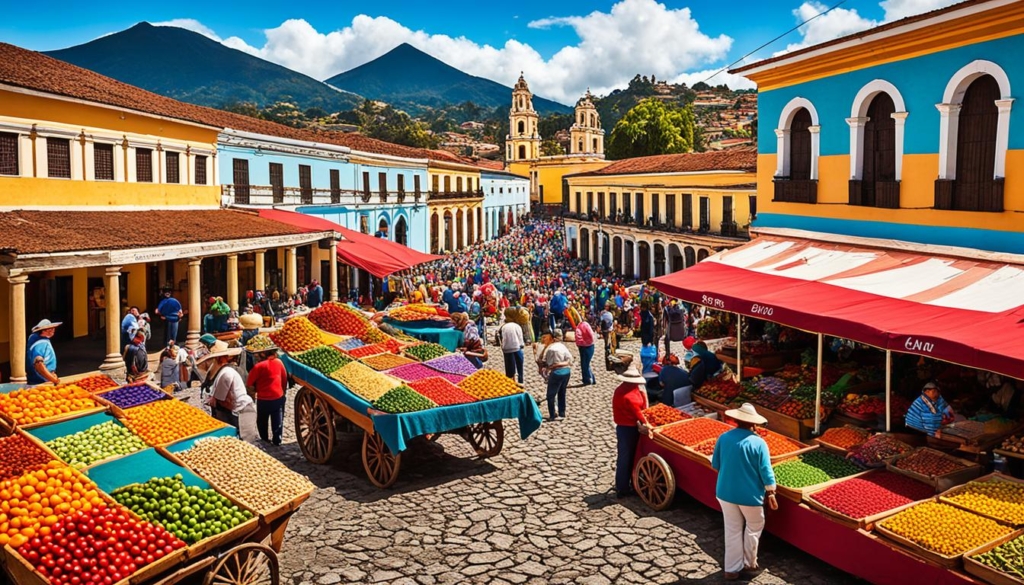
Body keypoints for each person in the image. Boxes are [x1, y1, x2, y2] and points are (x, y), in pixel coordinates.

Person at [712, 403, 777, 581]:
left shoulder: (723, 437)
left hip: (724, 492)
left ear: (737, 420)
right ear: (753, 424)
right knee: (754, 527)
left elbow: (715, 464)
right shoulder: (758, 442)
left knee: (732, 529)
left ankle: (731, 569)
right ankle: (749, 563)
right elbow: (766, 470)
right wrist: (771, 491)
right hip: (749, 495)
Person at [199, 341, 258, 442]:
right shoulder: (221, 372)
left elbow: (222, 400)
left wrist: (212, 401)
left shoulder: (227, 373)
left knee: (242, 443)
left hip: (240, 413)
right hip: (235, 411)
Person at [612, 365, 650, 497]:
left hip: (623, 427)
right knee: (626, 457)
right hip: (629, 429)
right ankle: (623, 487)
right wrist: (648, 423)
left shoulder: (620, 389)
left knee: (625, 456)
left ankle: (624, 484)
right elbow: (639, 413)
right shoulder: (630, 395)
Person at [247, 345, 288, 446]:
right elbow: (284, 378)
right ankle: (277, 440)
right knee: (277, 420)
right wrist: (283, 393)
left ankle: (264, 438)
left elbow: (249, 382)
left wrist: (253, 392)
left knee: (262, 420)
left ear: (262, 354)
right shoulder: (279, 362)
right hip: (278, 397)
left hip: (263, 399)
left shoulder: (258, 367)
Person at [541, 329, 573, 421]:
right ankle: (562, 413)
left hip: (557, 373)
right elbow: (570, 359)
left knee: (550, 395)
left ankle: (552, 415)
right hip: (566, 372)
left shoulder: (550, 349)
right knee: (562, 393)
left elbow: (547, 363)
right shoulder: (562, 346)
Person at [27, 319, 61, 385]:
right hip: (41, 381)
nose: (53, 330)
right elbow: (39, 364)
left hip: (46, 379)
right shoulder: (41, 344)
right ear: (43, 331)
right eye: (49, 329)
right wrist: (53, 380)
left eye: (53, 328)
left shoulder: (43, 341)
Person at [574, 317, 596, 386]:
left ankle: (587, 379)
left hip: (584, 347)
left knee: (584, 364)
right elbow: (591, 334)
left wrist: (579, 344)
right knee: (587, 363)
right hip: (591, 345)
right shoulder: (587, 325)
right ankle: (592, 378)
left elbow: (578, 337)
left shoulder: (578, 327)